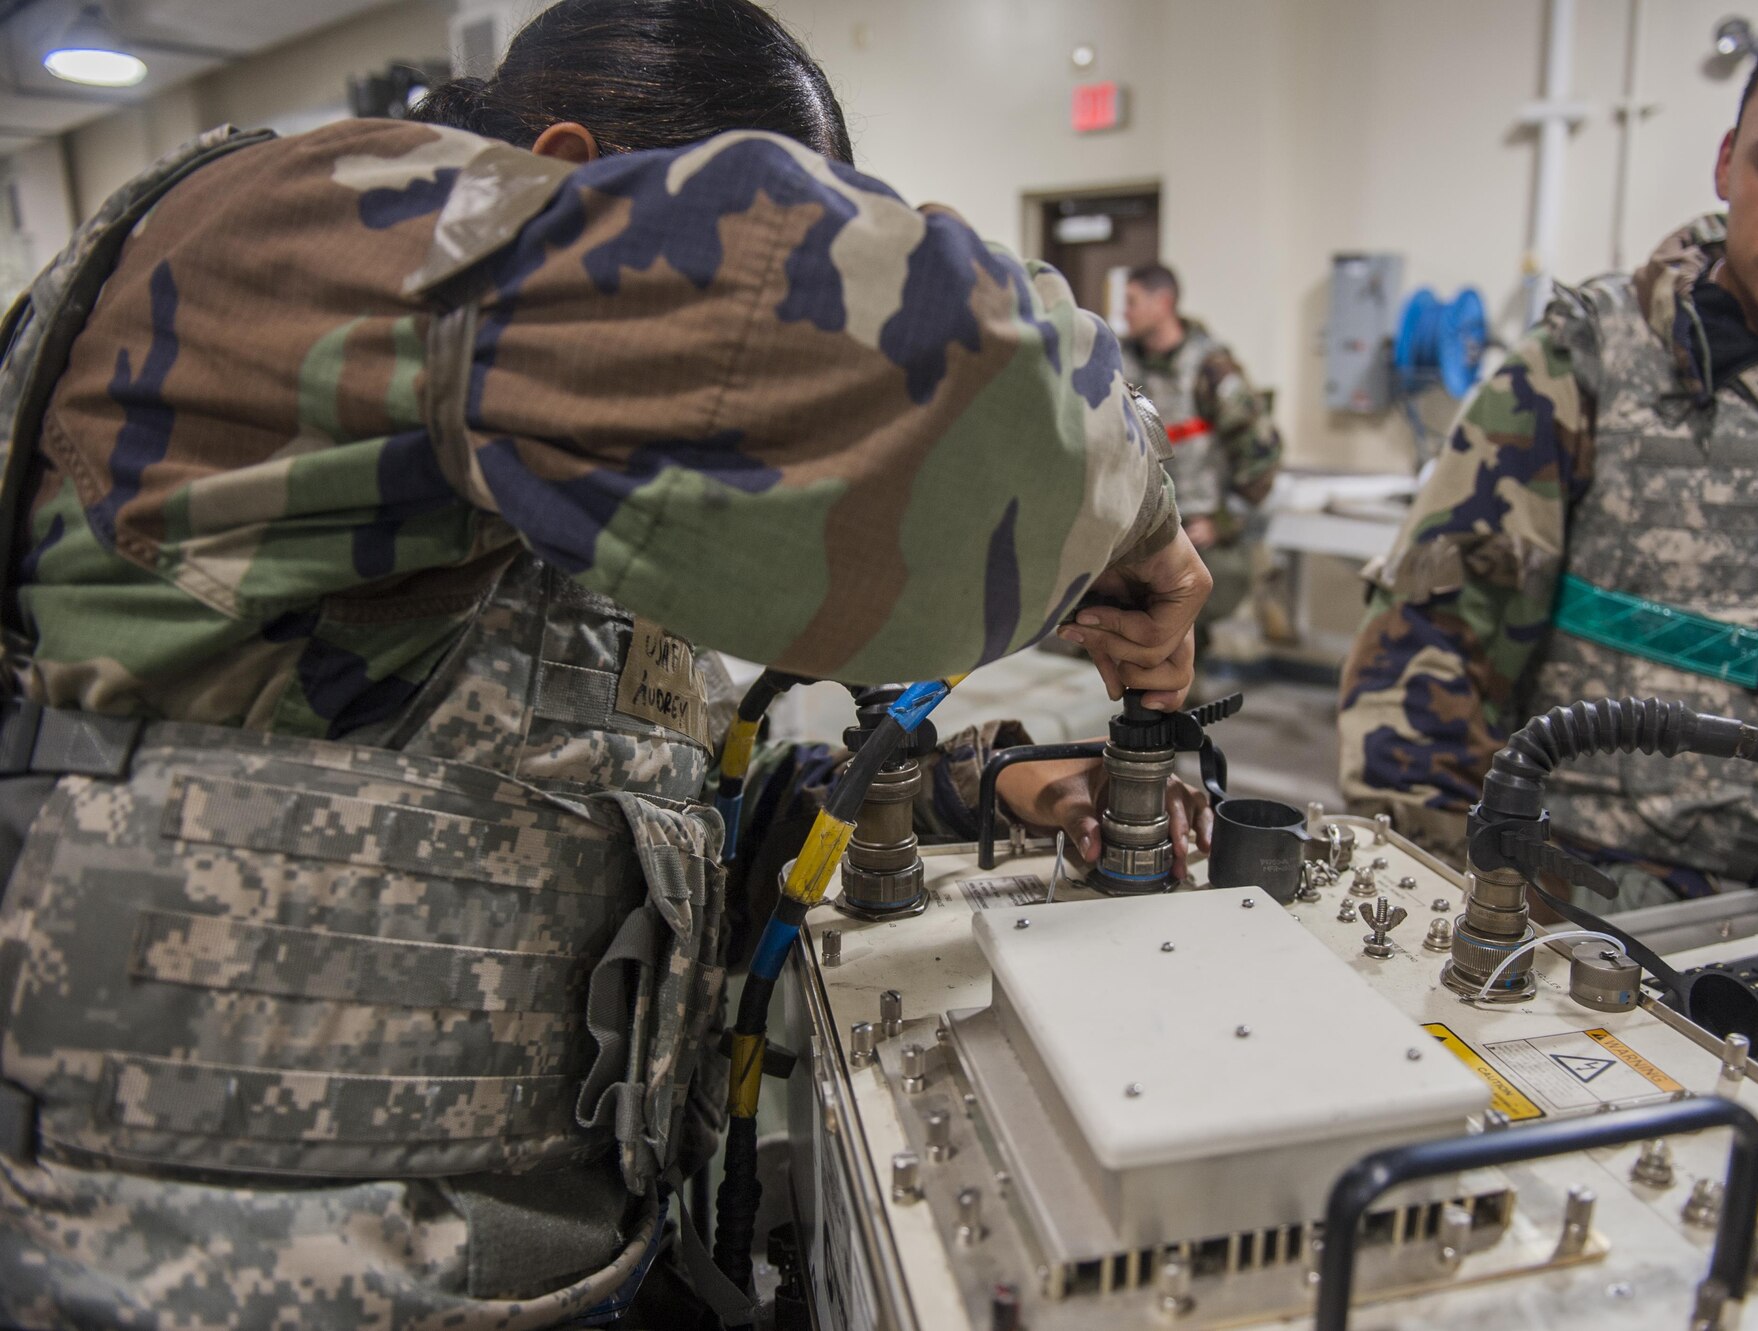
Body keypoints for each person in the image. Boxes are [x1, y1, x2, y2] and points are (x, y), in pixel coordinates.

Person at [0, 1, 1212, 1326]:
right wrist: (1135, 492)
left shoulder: (497, 457)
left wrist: (982, 788)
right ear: (568, 170)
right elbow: (940, 385)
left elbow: (606, 802)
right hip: (208, 1281)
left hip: (534, 1257)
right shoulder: (291, 234)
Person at [1339, 0, 1758, 912]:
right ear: (1729, 161)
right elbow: (1423, 658)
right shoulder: (1583, 370)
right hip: (1569, 895)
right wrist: (1454, 905)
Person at [1121, 264, 1284, 654]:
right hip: (1134, 531)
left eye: (1132, 302)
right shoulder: (1119, 363)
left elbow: (1261, 451)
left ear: (1163, 303)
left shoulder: (1210, 369)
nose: (1124, 313)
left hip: (1195, 532)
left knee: (1179, 645)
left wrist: (1224, 521)